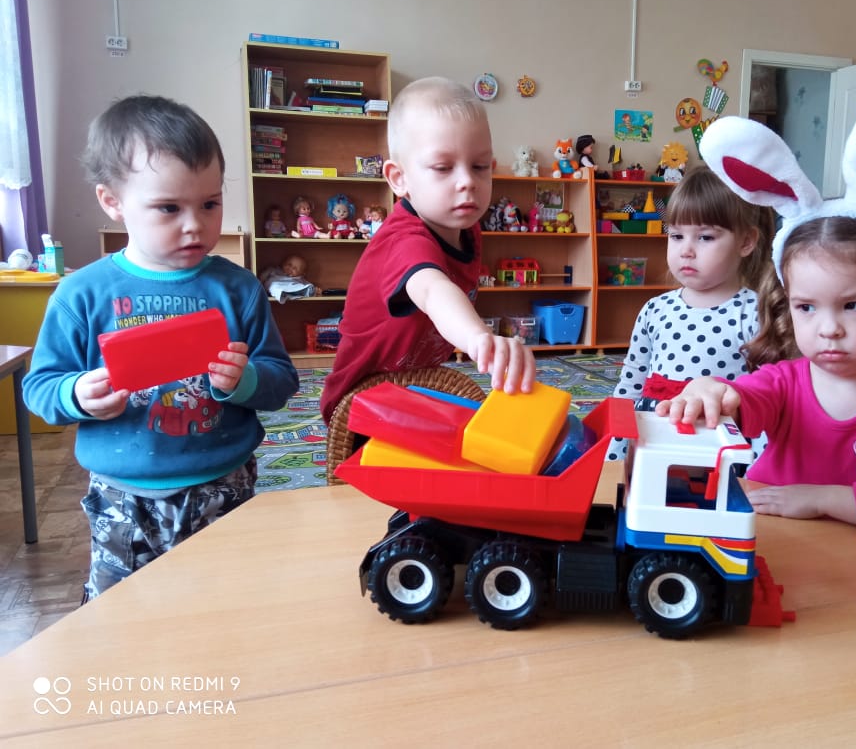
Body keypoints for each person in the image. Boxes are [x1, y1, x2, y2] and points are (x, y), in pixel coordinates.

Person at [657, 65, 856, 544]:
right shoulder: (783, 383)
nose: (828, 328)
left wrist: (825, 499)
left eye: (852, 306)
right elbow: (743, 400)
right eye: (806, 307)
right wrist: (711, 389)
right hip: (778, 549)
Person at [23, 94, 300, 599]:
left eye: (210, 203)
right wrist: (76, 394)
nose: (195, 224)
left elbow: (281, 380)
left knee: (230, 602)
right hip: (121, 496)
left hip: (223, 485)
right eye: (169, 207)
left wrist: (245, 381)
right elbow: (40, 387)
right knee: (120, 612)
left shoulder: (238, 288)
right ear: (112, 201)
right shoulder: (81, 294)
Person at [319, 77, 536, 424]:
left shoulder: (467, 228)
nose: (467, 181)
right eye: (443, 168)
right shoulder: (404, 240)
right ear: (399, 178)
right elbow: (433, 290)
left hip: (417, 387)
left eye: (480, 166)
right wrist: (479, 337)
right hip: (361, 402)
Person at [605, 167, 773, 461]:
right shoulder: (655, 309)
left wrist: (759, 474)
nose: (686, 250)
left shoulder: (754, 313)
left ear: (746, 242)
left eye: (705, 237)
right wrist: (614, 457)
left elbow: (767, 401)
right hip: (653, 441)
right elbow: (629, 386)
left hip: (717, 447)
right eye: (676, 235)